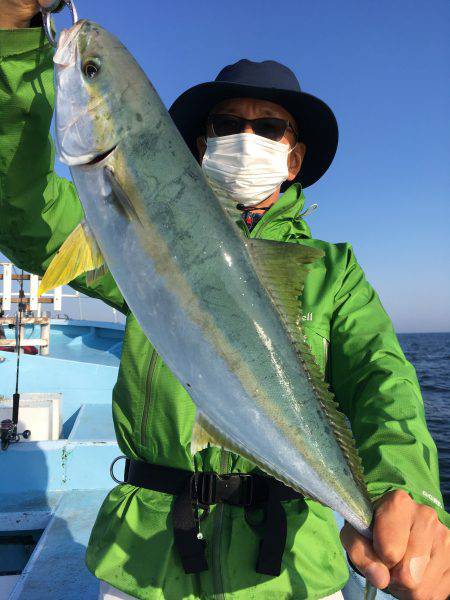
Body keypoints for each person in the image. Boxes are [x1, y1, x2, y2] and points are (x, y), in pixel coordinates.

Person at [0, 2, 449, 599]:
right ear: (199, 146)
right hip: (146, 564)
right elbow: (25, 213)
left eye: (268, 127)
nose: (246, 135)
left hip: (291, 574)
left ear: (294, 159)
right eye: (226, 123)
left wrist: (406, 492)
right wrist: (13, 34)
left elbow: (382, 384)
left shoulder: (330, 272)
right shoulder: (135, 237)